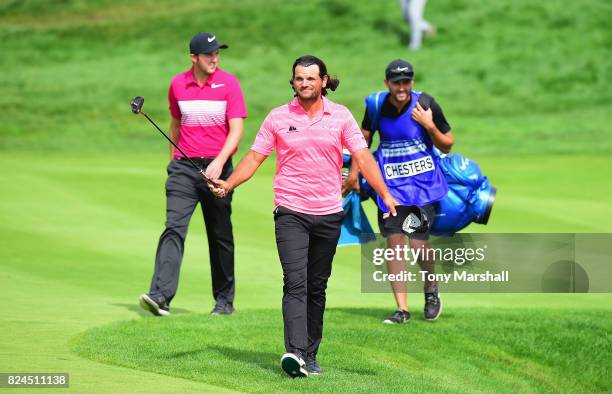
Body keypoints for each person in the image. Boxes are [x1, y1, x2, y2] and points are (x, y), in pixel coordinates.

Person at [209, 55, 398, 378]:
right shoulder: (278, 118)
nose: (305, 83)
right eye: (299, 78)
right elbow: (255, 158)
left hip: (328, 213)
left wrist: (384, 193)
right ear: (292, 82)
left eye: (311, 78)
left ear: (324, 81)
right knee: (295, 282)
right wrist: (228, 184)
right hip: (290, 211)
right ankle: (295, 353)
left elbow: (364, 157)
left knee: (316, 286)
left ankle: (311, 355)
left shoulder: (340, 116)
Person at [139, 32, 247, 317]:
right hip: (184, 168)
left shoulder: (230, 83)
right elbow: (176, 124)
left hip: (218, 168)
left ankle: (224, 302)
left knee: (220, 234)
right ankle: (160, 295)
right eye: (209, 54)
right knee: (174, 227)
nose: (214, 58)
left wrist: (220, 160)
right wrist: (174, 161)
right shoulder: (177, 84)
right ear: (193, 57)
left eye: (217, 53)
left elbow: (236, 130)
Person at [344, 59, 454, 324]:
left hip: (423, 187)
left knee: (418, 245)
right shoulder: (375, 106)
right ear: (387, 83)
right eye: (396, 82)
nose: (401, 87)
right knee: (394, 244)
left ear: (412, 82)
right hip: (390, 187)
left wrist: (428, 124)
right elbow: (362, 141)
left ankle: (431, 288)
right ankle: (402, 309)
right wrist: (355, 174)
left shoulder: (426, 104)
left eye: (406, 82)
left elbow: (448, 143)